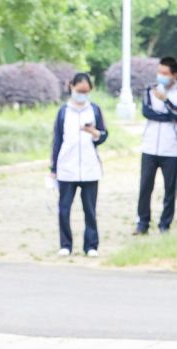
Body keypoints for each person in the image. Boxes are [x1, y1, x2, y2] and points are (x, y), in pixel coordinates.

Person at [50, 72, 108, 258]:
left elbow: (104, 135)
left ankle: (91, 245)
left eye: (86, 91)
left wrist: (95, 133)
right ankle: (65, 244)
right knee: (64, 208)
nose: (82, 94)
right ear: (71, 87)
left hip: (90, 167)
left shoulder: (95, 110)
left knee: (90, 209)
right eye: (79, 90)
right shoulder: (63, 112)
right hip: (67, 167)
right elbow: (57, 141)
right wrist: (54, 168)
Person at [135, 56, 177, 235]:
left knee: (170, 189)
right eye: (160, 72)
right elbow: (147, 112)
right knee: (145, 187)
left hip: (171, 148)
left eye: (165, 73)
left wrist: (166, 101)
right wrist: (167, 115)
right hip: (149, 146)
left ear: (174, 74)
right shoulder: (151, 90)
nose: (161, 76)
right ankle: (142, 223)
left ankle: (165, 224)